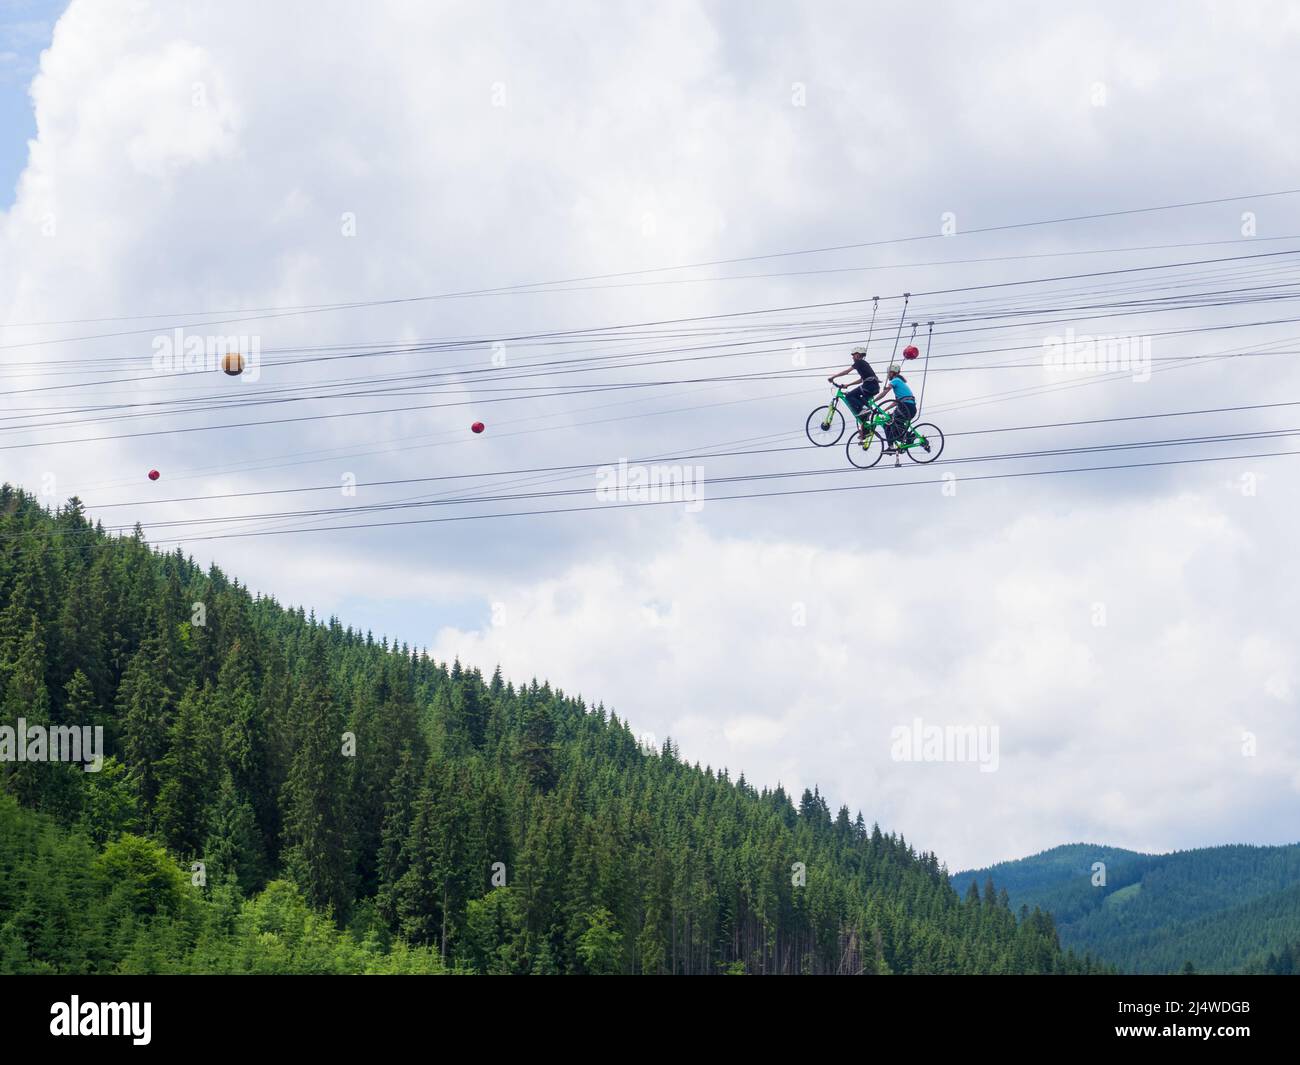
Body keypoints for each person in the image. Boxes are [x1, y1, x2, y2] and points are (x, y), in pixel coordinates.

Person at [827, 346, 880, 421]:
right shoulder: (864, 364)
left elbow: (846, 372)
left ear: (858, 355)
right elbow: (861, 380)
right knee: (859, 401)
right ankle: (865, 421)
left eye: (853, 355)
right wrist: (848, 385)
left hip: (869, 386)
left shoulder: (859, 362)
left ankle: (865, 409)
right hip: (874, 387)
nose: (852, 357)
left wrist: (833, 377)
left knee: (849, 396)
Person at [879, 363, 918, 452]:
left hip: (905, 407)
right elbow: (895, 403)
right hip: (910, 408)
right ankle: (906, 438)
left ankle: (903, 440)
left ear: (893, 373)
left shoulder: (895, 380)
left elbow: (884, 393)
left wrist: (874, 401)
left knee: (888, 422)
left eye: (889, 373)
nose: (888, 375)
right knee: (891, 424)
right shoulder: (900, 383)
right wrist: (885, 409)